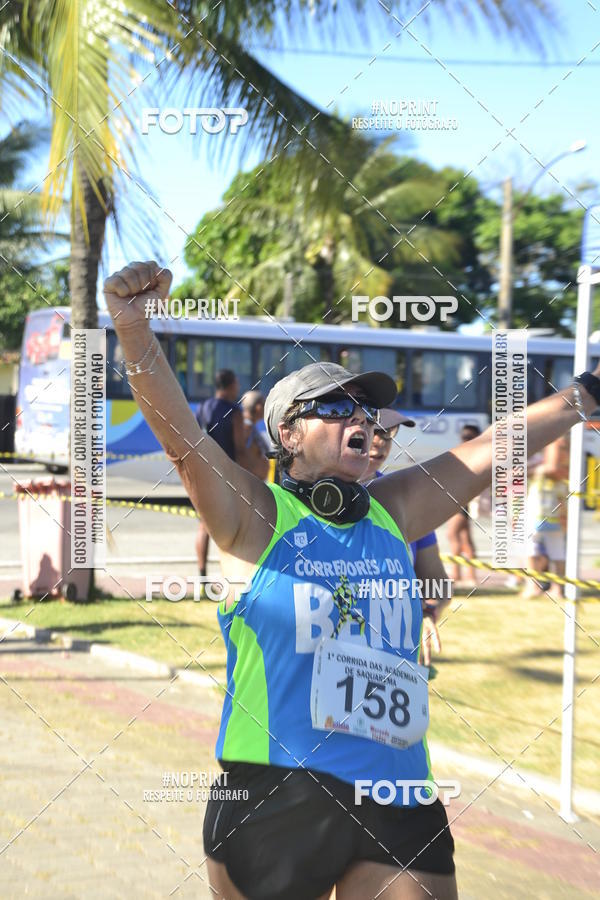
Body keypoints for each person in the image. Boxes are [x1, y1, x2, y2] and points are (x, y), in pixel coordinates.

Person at [104, 261, 600, 900]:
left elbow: (498, 443)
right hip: (274, 794)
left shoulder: (395, 511)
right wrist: (132, 329)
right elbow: (182, 437)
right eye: (336, 408)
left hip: (396, 789)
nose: (359, 419)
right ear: (288, 434)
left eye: (366, 408)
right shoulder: (256, 516)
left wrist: (587, 394)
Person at [362, 408, 450, 667]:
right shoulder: (316, 497)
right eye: (375, 432)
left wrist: (427, 610)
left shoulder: (405, 501)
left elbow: (438, 584)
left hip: (395, 660)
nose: (381, 442)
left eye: (389, 434)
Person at [195, 369, 247, 578]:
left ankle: (202, 575)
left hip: (204, 471)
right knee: (233, 528)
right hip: (227, 473)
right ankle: (233, 575)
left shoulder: (202, 407)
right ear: (231, 385)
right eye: (236, 383)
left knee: (204, 526)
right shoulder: (234, 411)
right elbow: (240, 447)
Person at [524, 434, 570, 599]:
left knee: (532, 546)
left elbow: (552, 468)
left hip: (544, 503)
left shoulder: (556, 440)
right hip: (558, 502)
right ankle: (557, 589)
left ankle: (533, 586)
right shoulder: (567, 441)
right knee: (557, 549)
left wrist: (532, 470)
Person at [445, 424, 481, 588]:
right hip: (457, 497)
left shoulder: (476, 453)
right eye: (464, 436)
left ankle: (457, 573)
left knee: (452, 534)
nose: (466, 439)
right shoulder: (463, 451)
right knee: (465, 538)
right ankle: (468, 576)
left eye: (469, 436)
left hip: (464, 498)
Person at [240, 390, 270, 481]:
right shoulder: (245, 429)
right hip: (248, 485)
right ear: (259, 408)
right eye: (265, 405)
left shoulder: (250, 427)